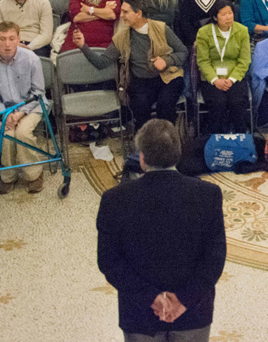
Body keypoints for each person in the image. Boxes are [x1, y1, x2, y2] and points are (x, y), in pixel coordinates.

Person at [96, 118, 227, 342]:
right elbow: (214, 257)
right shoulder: (208, 194)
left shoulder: (114, 200)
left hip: (139, 314)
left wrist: (151, 298)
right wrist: (184, 299)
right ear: (178, 154)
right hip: (193, 312)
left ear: (142, 157)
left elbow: (109, 261)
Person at [74, 0, 187, 128]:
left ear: (138, 13)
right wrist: (83, 46)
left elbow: (183, 52)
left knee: (165, 105)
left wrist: (167, 61)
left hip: (167, 77)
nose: (121, 16)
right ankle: (144, 144)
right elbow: (101, 62)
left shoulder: (162, 28)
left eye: (125, 12)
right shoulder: (122, 37)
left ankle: (168, 142)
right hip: (142, 81)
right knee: (139, 106)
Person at [0, 21, 46, 194]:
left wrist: (21, 114)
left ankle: (33, 174)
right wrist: (5, 114)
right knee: (7, 135)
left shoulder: (32, 59)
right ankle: (8, 176)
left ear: (19, 39)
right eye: (2, 39)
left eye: (11, 38)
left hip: (31, 106)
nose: (7, 44)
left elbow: (38, 92)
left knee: (22, 133)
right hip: (5, 109)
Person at [196, 1, 252, 133]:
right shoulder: (204, 32)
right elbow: (203, 61)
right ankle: (216, 138)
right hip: (212, 78)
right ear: (215, 17)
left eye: (230, 13)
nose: (228, 17)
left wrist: (231, 79)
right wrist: (215, 80)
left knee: (237, 102)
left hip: (235, 76)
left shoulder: (242, 31)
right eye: (223, 14)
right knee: (218, 103)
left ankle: (240, 137)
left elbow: (244, 60)